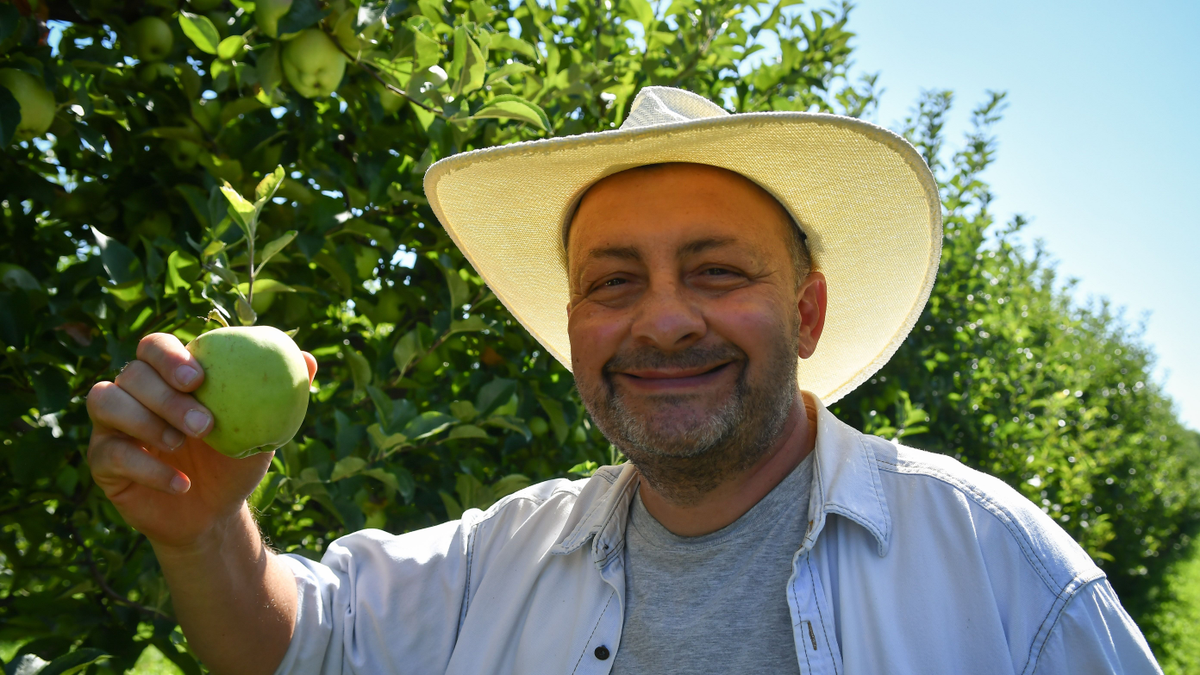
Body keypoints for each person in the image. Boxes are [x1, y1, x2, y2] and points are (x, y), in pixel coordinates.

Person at [85, 87, 1161, 674]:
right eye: (613, 281)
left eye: (717, 271)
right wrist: (202, 531)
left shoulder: (1000, 576)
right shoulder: (505, 558)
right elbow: (301, 644)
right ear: (573, 328)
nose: (661, 319)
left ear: (809, 311)